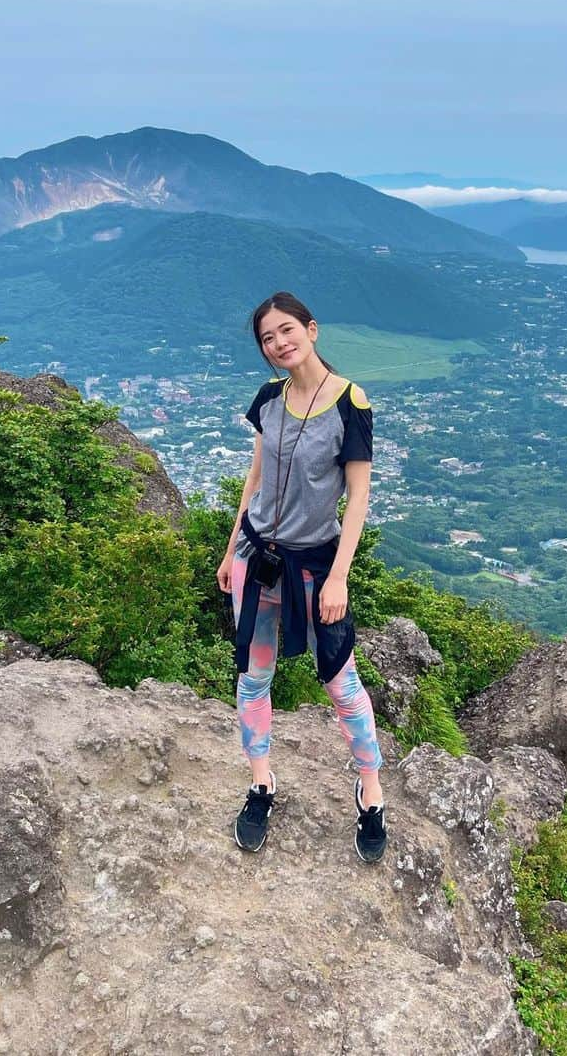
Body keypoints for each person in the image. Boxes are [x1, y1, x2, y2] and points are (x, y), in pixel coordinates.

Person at [216, 291, 387, 863]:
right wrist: (229, 550)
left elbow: (358, 499)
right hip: (256, 558)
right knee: (252, 675)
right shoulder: (268, 400)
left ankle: (371, 791)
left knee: (341, 681)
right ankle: (262, 783)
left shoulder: (350, 402)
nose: (279, 343)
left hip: (315, 566)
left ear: (312, 329)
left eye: (287, 330)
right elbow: (256, 479)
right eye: (268, 338)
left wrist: (340, 577)